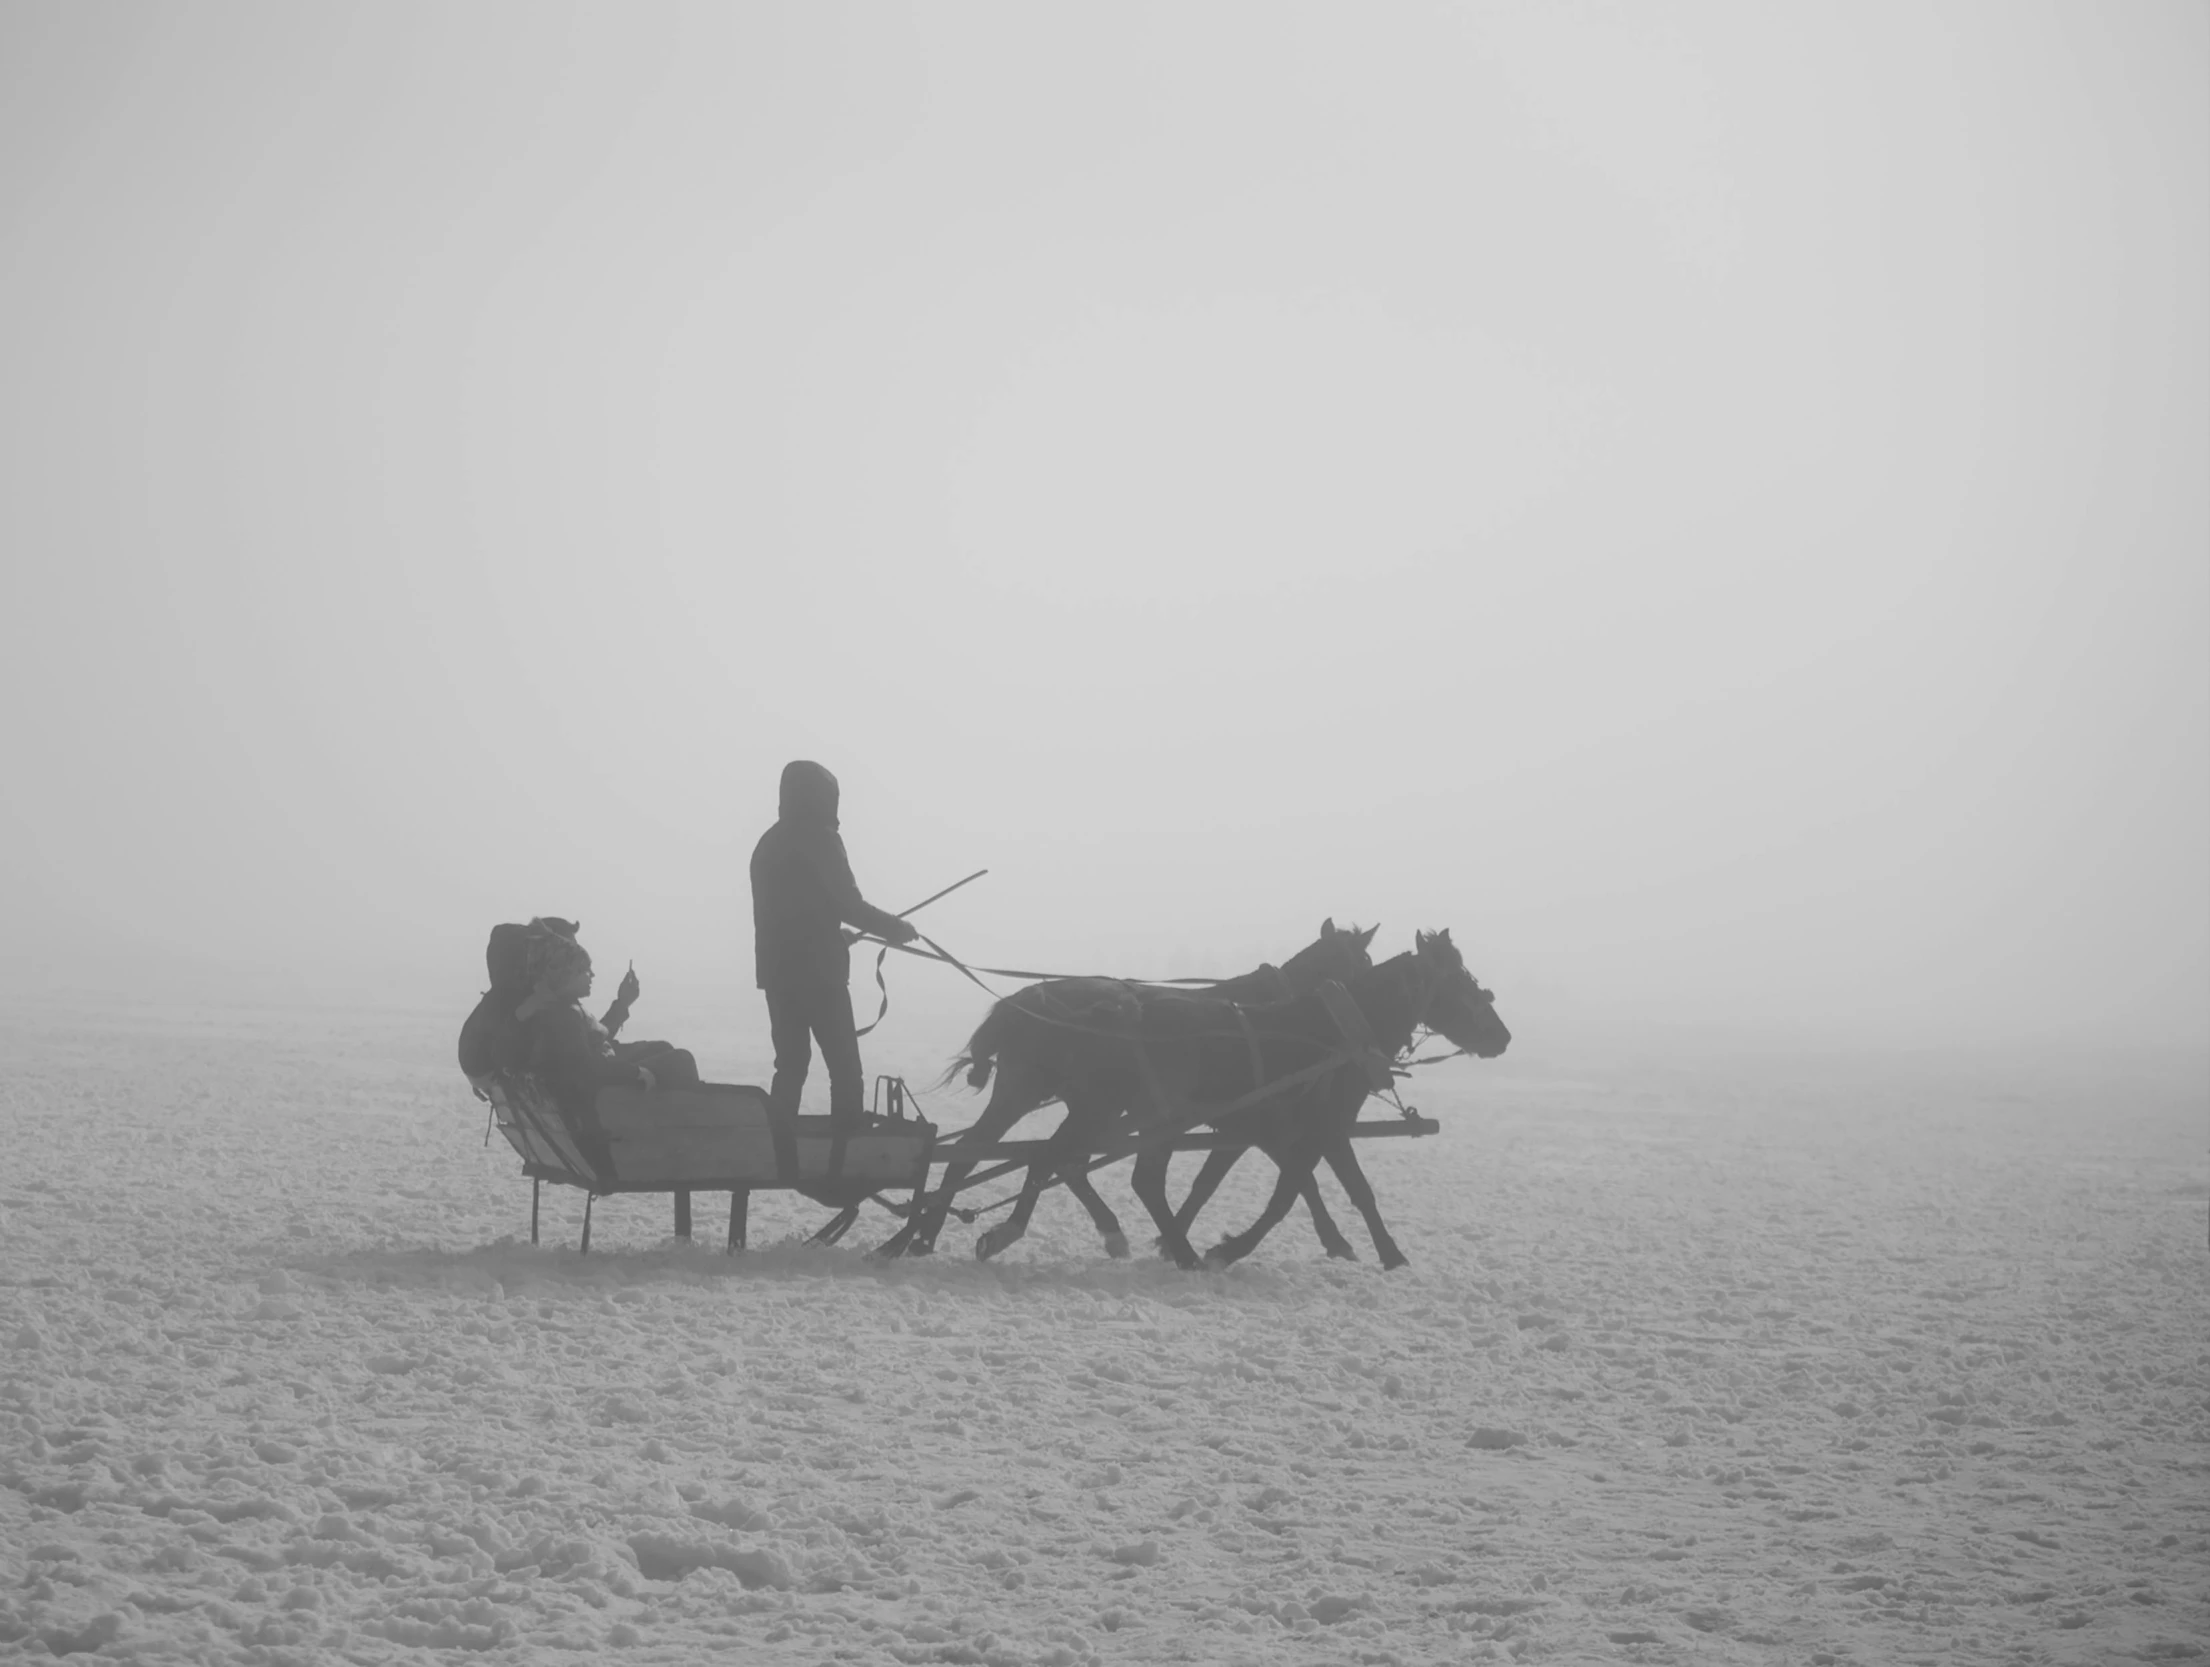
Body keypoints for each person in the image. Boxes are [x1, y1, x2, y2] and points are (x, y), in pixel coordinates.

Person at [749, 760, 917, 1130]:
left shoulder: (767, 844)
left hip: (778, 977)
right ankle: (846, 1153)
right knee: (845, 1070)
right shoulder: (821, 838)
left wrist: (834, 934)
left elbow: (791, 913)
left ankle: (779, 1148)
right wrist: (895, 928)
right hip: (820, 978)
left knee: (791, 1066)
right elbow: (848, 904)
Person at [518, 928, 700, 1129]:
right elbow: (585, 1068)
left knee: (662, 1048)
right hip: (599, 1094)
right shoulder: (563, 1015)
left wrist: (623, 1003)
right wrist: (635, 1072)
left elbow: (589, 1044)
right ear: (567, 974)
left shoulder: (559, 1005)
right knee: (681, 1060)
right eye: (585, 969)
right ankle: (691, 1126)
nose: (592, 975)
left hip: (600, 1076)